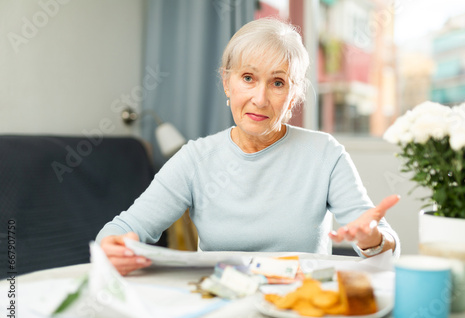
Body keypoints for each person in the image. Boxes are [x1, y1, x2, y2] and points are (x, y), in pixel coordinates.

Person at [96, 18, 401, 276]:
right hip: (221, 302)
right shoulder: (195, 158)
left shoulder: (324, 153)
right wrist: (113, 246)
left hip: (299, 306)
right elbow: (123, 228)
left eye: (278, 83)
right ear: (227, 83)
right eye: (248, 78)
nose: (260, 98)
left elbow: (386, 248)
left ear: (294, 96)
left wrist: (373, 239)